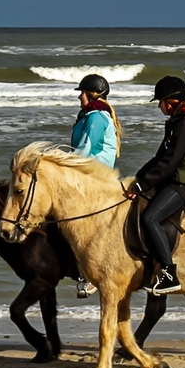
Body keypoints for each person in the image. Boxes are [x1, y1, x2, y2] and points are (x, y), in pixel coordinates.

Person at [127, 75, 185, 295]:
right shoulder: (177, 123)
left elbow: (170, 161)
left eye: (160, 101)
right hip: (175, 178)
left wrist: (144, 184)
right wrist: (139, 180)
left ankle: (168, 273)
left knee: (150, 217)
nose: (159, 106)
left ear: (171, 102)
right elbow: (160, 158)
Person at [69, 73, 122, 297]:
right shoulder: (90, 116)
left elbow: (84, 150)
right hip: (88, 174)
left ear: (91, 94)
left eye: (81, 92)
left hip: (94, 178)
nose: (79, 96)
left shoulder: (96, 118)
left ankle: (91, 275)